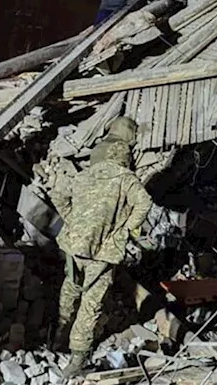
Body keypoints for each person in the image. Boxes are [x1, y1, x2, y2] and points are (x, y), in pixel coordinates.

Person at [52, 117, 152, 379]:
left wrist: (72, 219)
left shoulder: (84, 175)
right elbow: (144, 203)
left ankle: (59, 335)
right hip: (103, 251)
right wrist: (125, 230)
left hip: (74, 244)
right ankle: (77, 357)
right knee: (91, 302)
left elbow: (58, 194)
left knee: (70, 287)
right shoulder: (125, 179)